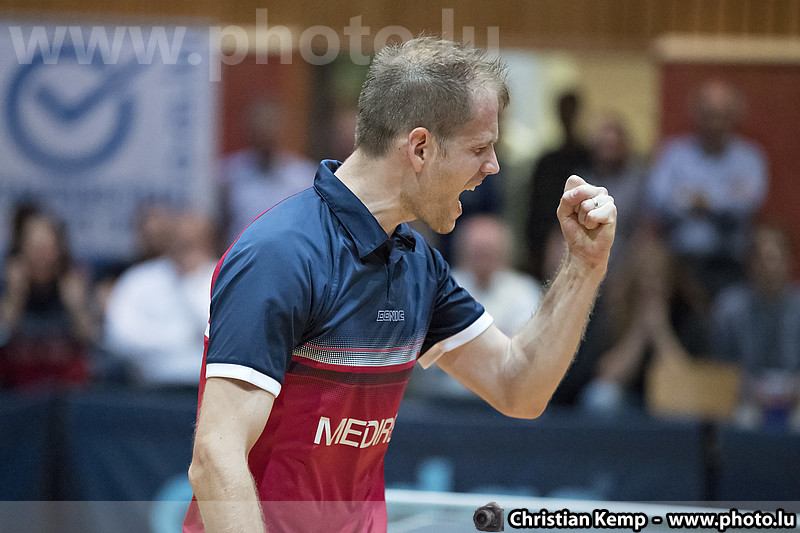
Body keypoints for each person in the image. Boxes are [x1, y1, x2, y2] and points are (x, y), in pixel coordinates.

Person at [185, 37, 616, 533]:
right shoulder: (281, 254)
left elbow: (518, 387)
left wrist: (583, 266)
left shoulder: (417, 265)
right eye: (479, 148)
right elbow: (216, 458)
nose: (493, 166)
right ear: (420, 147)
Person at [647, 80, 768, 296]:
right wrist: (722, 198)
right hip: (679, 261)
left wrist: (694, 199)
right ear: (696, 115)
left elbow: (747, 203)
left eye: (722, 115)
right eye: (709, 114)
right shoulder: (674, 154)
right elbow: (658, 198)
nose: (715, 123)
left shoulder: (750, 158)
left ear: (734, 117)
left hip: (731, 261)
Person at [103, 211, 217, 386]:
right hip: (150, 384)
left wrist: (188, 282)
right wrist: (179, 337)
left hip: (206, 386)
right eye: (181, 242)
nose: (186, 250)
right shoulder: (139, 279)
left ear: (208, 243)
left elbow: (220, 333)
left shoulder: (222, 276)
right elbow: (117, 334)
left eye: (193, 243)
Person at [711, 225, 800, 430]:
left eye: (773, 258)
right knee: (742, 420)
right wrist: (749, 389)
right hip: (744, 399)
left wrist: (794, 389)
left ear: (788, 262)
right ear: (750, 263)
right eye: (760, 259)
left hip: (796, 399)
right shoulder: (728, 309)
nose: (767, 267)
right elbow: (720, 366)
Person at [0, 210, 95, 388]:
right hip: (15, 391)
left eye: (46, 248)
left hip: (67, 390)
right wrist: (14, 297)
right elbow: (3, 335)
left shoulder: (73, 285)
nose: (41, 256)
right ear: (21, 250)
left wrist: (76, 307)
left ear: (59, 250)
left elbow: (92, 341)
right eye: (35, 248)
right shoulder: (8, 287)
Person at [220, 98, 317, 244]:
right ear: (249, 131)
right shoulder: (229, 174)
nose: (265, 134)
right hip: (242, 254)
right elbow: (219, 224)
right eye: (260, 128)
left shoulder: (304, 177)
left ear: (281, 129)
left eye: (271, 125)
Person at [525, 90, 592, 280]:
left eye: (571, 111)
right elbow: (534, 209)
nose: (567, 117)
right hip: (544, 239)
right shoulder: (547, 161)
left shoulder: (589, 158)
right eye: (564, 111)